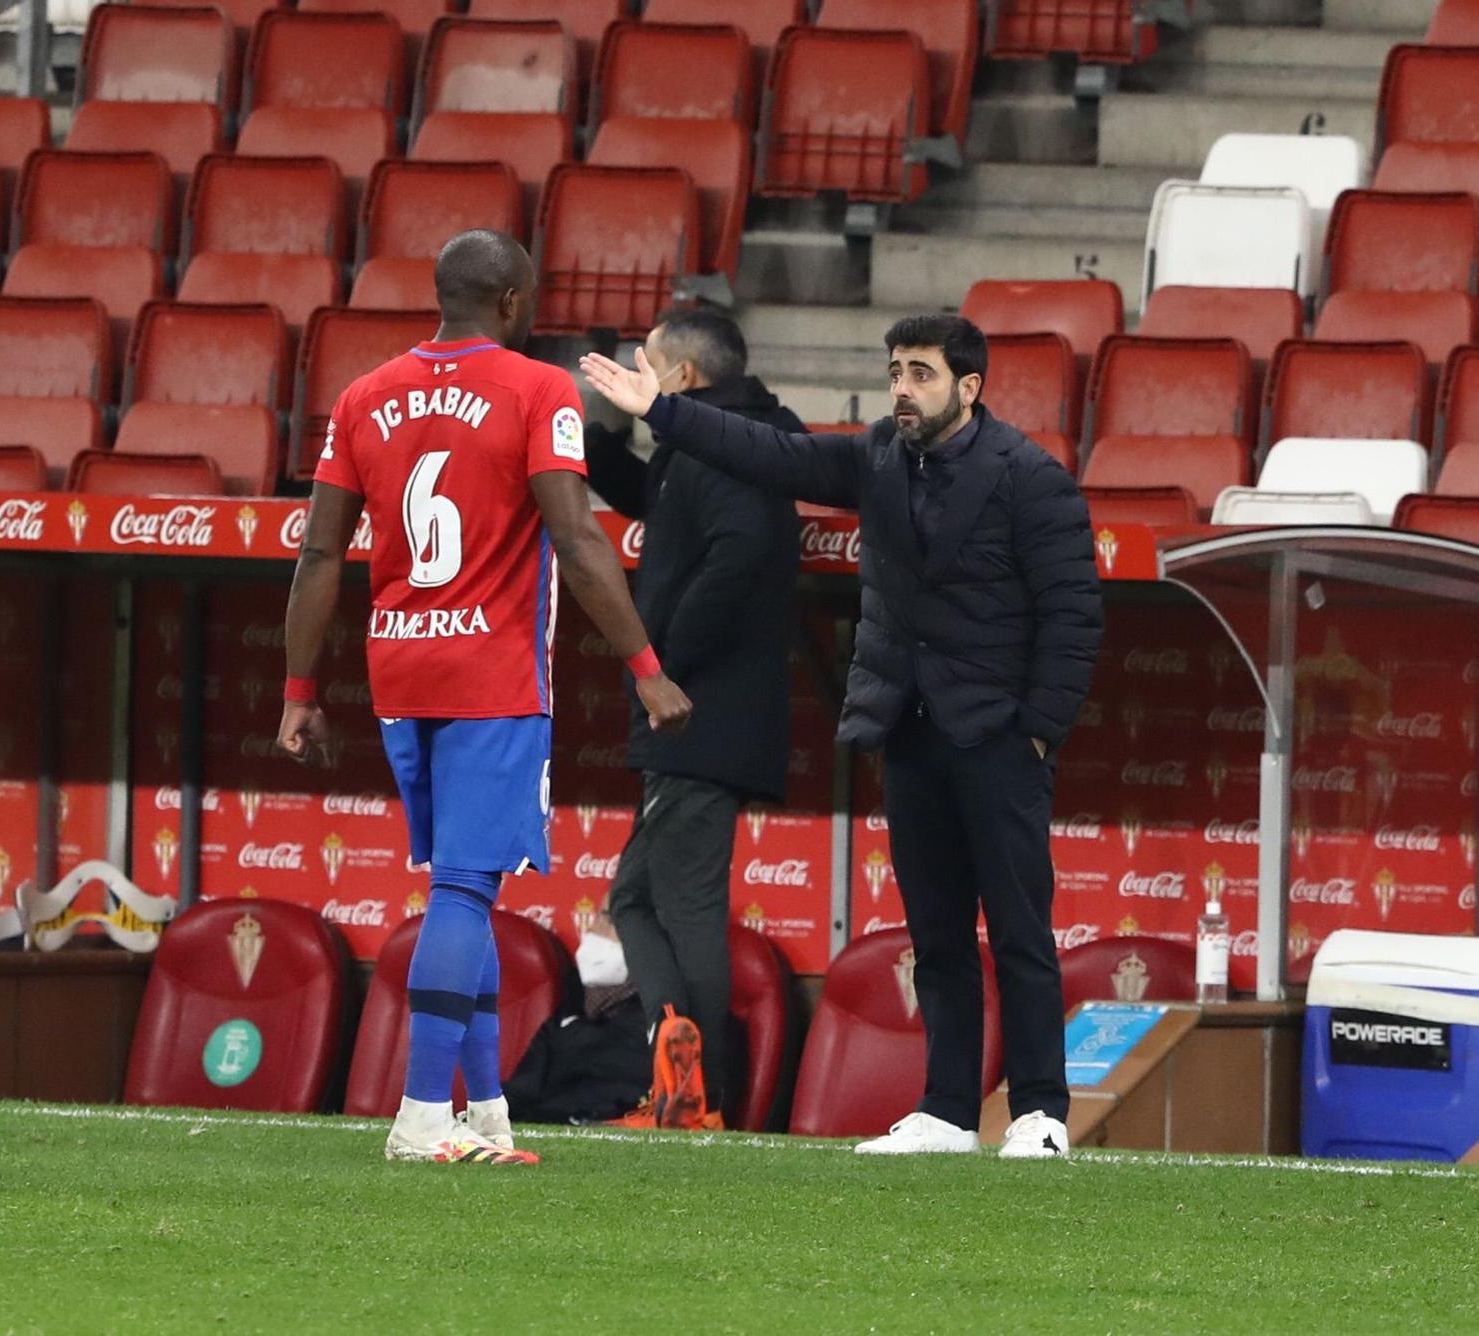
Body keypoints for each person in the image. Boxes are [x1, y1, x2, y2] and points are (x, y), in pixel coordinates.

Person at [581, 313, 1103, 1160]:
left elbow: (1074, 617)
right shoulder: (876, 458)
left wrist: (1037, 733)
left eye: (922, 373)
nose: (903, 386)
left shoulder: (1030, 479)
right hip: (908, 731)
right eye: (896, 370)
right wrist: (663, 412)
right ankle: (946, 1109)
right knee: (935, 936)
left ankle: (1041, 1109)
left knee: (1017, 931)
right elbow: (772, 457)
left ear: (969, 388)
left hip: (998, 740)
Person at [278, 229, 692, 1165]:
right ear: (511, 303)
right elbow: (580, 541)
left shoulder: (363, 395)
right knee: (465, 891)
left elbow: (317, 554)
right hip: (491, 675)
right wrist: (645, 667)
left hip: (400, 669)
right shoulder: (536, 387)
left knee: (463, 887)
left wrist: (301, 686)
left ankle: (489, 1111)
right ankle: (425, 1113)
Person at [584, 309, 802, 1122]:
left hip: (699, 715)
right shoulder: (706, 442)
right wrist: (604, 433)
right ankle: (673, 1057)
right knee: (636, 901)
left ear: (682, 378)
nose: (640, 371)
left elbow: (746, 547)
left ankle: (700, 1095)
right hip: (691, 715)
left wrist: (662, 661)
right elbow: (661, 502)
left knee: (684, 903)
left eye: (648, 364)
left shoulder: (736, 448)